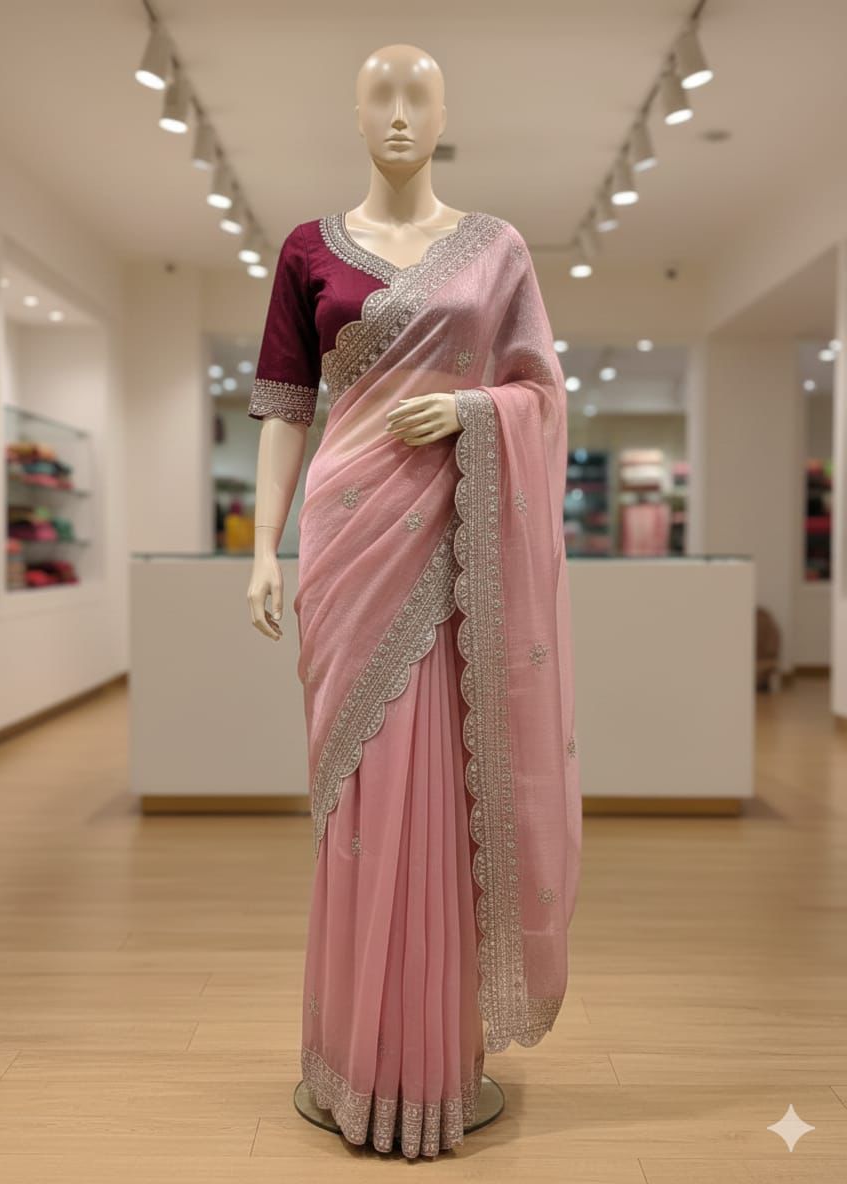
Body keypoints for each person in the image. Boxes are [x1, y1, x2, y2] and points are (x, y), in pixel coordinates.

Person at [247, 42, 582, 1160]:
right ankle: (355, 1056)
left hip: (449, 543)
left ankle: (431, 1061)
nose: (398, 113)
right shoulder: (306, 248)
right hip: (347, 539)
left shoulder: (497, 248)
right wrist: (261, 547)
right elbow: (287, 409)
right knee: (357, 790)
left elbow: (539, 391)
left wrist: (474, 411)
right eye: (380, 96)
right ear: (355, 116)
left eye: (418, 96)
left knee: (442, 778)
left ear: (444, 117)